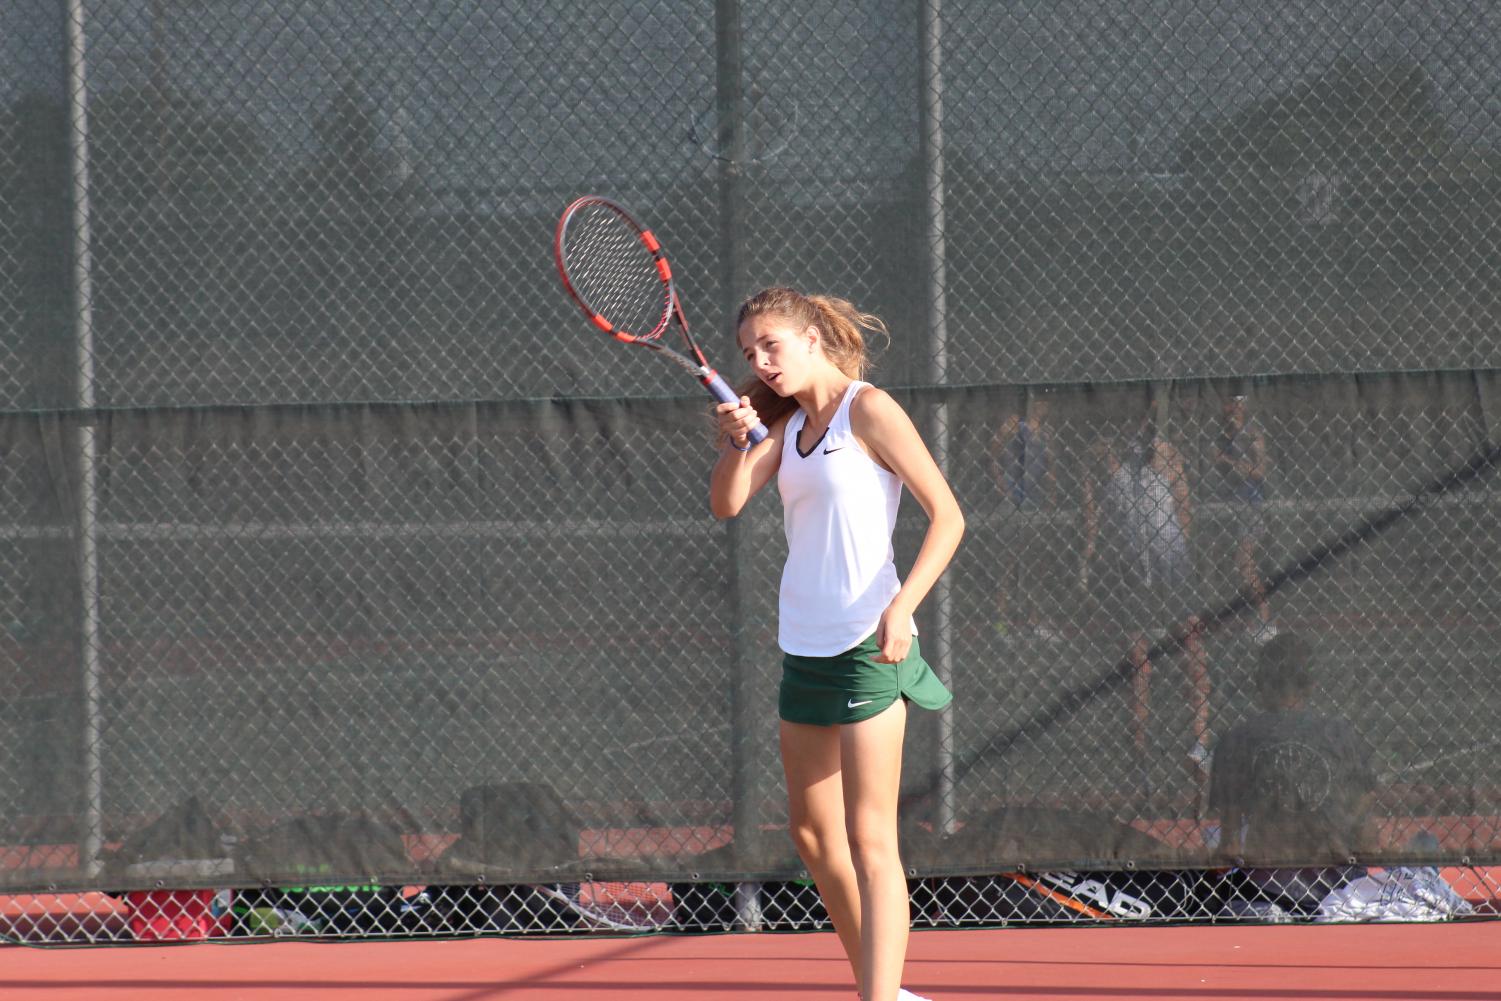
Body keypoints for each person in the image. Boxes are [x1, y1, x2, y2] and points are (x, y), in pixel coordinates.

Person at [710, 287, 963, 1001]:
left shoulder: (870, 410)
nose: (760, 362)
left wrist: (903, 607)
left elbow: (947, 516)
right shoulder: (780, 425)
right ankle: (883, 988)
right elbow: (727, 503)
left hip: (867, 646)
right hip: (804, 647)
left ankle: (877, 998)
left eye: (771, 346)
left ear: (813, 337)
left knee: (868, 837)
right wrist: (736, 441)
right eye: (749, 353)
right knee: (813, 837)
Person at [1080, 411, 1210, 797]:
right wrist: (1087, 565)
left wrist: (1176, 551)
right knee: (1139, 665)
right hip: (1131, 569)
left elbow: (1184, 506)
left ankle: (1199, 746)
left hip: (1170, 564)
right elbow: (1093, 516)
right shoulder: (1103, 455)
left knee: (1193, 653)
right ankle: (1139, 760)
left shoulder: (1166, 454)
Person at [1209, 632, 1377, 914]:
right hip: (1341, 885)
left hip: (1264, 886)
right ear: (1309, 686)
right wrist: (1336, 835)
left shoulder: (1236, 739)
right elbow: (1369, 838)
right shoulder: (1339, 733)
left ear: (1259, 684)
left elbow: (1229, 844)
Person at [988, 390, 1062, 641]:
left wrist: (1051, 495)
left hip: (1037, 503)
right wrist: (1002, 486)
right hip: (1013, 502)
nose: (1043, 405)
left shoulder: (1046, 432)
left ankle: (1034, 620)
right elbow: (993, 454)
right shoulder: (1013, 424)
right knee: (1008, 563)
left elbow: (1051, 466)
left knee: (1036, 562)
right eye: (1039, 400)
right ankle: (1002, 623)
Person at [1214, 393, 1276, 641]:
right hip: (1230, 506)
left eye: (1234, 403)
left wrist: (1229, 461)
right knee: (1234, 566)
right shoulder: (1222, 435)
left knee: (1245, 564)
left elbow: (1260, 472)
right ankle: (1247, 619)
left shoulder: (1252, 435)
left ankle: (1265, 619)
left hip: (1250, 506)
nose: (1228, 408)